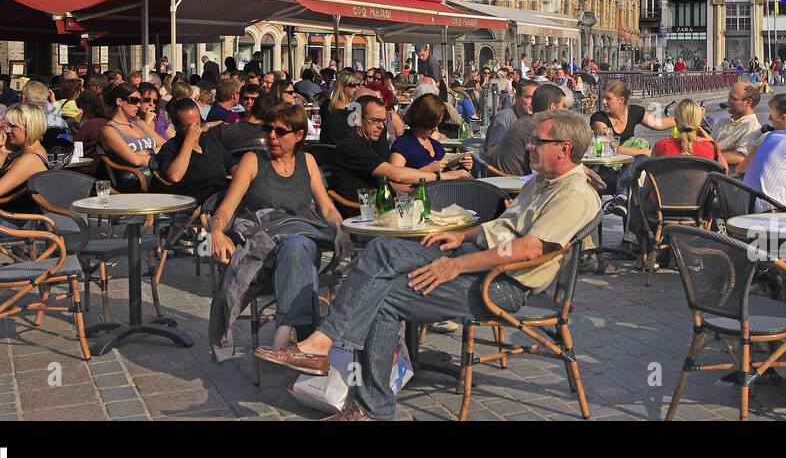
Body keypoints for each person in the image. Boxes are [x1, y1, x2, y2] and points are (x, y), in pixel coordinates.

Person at [253, 109, 601, 421]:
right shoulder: (543, 180)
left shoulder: (574, 193)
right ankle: (326, 349)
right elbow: (504, 227)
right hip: (478, 261)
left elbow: (526, 249)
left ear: (564, 148)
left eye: (537, 141)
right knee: (381, 249)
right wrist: (462, 237)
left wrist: (455, 267)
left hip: (502, 284)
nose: (528, 146)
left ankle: (365, 400)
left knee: (381, 298)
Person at [210, 102, 349, 353]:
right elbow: (227, 208)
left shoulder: (307, 161)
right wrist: (217, 232)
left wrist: (339, 228)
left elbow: (327, 209)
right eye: (268, 129)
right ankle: (296, 341)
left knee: (297, 244)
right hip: (264, 252)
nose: (271, 136)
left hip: (301, 247)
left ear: (299, 135)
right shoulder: (253, 161)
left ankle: (286, 337)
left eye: (280, 131)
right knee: (297, 244)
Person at [332, 96, 463, 200]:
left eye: (383, 121)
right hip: (367, 216)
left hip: (387, 207)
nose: (381, 126)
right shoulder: (351, 147)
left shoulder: (369, 144)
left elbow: (392, 183)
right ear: (356, 119)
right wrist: (440, 177)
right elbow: (395, 175)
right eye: (375, 120)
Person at [157, 98, 238, 206]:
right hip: (197, 199)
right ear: (176, 126)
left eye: (197, 124)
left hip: (225, 192)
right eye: (187, 126)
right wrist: (189, 141)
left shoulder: (209, 140)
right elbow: (174, 176)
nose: (194, 130)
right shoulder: (171, 147)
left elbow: (232, 164)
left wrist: (239, 175)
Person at [0, 103, 49, 215]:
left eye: (13, 126)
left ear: (30, 127)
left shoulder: (31, 159)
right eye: (7, 125)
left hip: (2, 224)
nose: (7, 130)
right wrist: (3, 153)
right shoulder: (28, 152)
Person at [388, 93, 472, 180]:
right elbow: (393, 181)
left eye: (438, 124)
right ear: (421, 119)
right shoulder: (403, 144)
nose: (435, 128)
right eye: (431, 124)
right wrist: (426, 170)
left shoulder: (435, 145)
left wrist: (463, 167)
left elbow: (447, 174)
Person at [491, 83, 569, 176]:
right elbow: (550, 167)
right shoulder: (538, 129)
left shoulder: (527, 122)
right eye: (563, 106)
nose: (566, 111)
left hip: (510, 181)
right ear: (553, 107)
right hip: (515, 185)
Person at [589, 79, 673, 160]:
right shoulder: (599, 118)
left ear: (621, 100)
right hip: (609, 164)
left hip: (629, 161)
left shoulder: (634, 111)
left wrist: (683, 117)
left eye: (608, 98)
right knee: (642, 157)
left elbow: (659, 124)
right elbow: (611, 146)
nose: (603, 101)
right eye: (603, 97)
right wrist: (646, 152)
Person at [100, 84, 157, 192]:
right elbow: (136, 160)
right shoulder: (109, 130)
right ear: (119, 102)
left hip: (153, 168)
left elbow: (166, 145)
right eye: (134, 100)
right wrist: (161, 157)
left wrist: (145, 152)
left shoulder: (140, 123)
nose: (139, 105)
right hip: (136, 176)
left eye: (140, 101)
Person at [711, 82, 763, 173]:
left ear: (748, 102)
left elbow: (740, 157)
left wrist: (707, 155)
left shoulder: (753, 128)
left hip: (725, 177)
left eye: (733, 99)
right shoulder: (723, 121)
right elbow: (710, 145)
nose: (728, 101)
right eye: (729, 97)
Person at [484, 79, 535, 159]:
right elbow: (491, 151)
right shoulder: (504, 119)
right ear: (517, 97)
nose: (533, 102)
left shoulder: (536, 117)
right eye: (529, 97)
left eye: (536, 98)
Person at [651, 99, 715, 158]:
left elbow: (651, 170)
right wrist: (699, 127)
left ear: (675, 120)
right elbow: (723, 168)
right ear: (698, 121)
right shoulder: (710, 147)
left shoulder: (660, 146)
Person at [320, 70, 364, 145]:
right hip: (341, 143)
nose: (357, 88)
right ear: (343, 87)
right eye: (353, 85)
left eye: (358, 85)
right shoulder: (338, 105)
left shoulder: (351, 103)